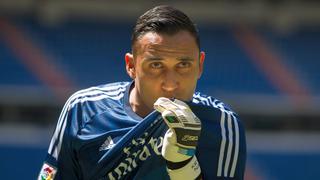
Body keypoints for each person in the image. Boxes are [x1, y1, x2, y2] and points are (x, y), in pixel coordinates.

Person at [38, 5, 246, 180]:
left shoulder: (222, 125)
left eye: (184, 64)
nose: (171, 83)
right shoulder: (83, 109)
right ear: (131, 66)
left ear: (200, 65)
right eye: (156, 65)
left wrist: (183, 165)